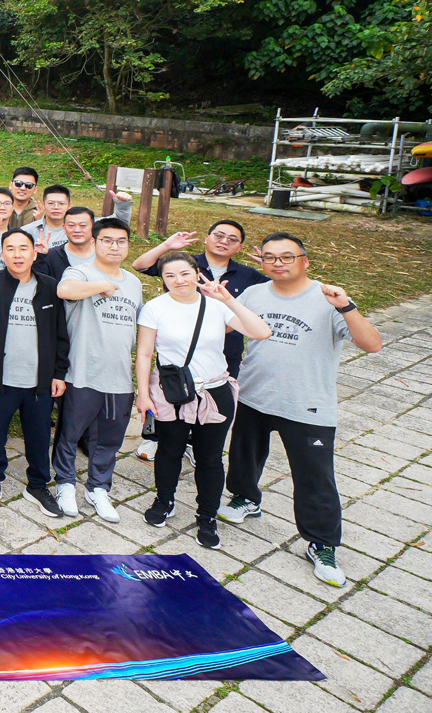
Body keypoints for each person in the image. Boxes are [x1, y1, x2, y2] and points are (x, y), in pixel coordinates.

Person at [222, 233, 382, 587]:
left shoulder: (329, 298)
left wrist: (347, 307)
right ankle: (245, 498)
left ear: (305, 261)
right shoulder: (254, 293)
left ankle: (322, 543)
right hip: (255, 394)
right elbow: (224, 324)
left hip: (307, 404)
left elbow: (372, 344)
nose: (277, 263)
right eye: (270, 257)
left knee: (315, 476)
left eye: (287, 257)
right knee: (244, 455)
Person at [135, 251, 271, 550]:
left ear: (197, 273)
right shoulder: (155, 308)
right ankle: (164, 500)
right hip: (172, 392)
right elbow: (144, 353)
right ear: (162, 279)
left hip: (215, 390)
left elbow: (261, 332)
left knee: (210, 458)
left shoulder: (217, 306)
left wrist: (228, 299)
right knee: (169, 450)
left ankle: (207, 516)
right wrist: (143, 394)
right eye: (170, 275)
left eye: (185, 273)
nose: (178, 280)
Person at [131, 220, 268, 462]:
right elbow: (140, 265)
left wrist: (271, 266)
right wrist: (167, 245)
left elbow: (275, 290)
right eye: (219, 235)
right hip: (178, 354)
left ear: (240, 247)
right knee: (172, 401)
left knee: (209, 410)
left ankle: (195, 444)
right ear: (207, 238)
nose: (224, 241)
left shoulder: (248, 275)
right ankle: (156, 437)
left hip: (224, 352)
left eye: (232, 239)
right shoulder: (184, 264)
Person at [0, 230, 68, 517]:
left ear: (34, 253)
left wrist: (59, 373)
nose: (17, 254)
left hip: (39, 381)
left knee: (39, 436)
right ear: (2, 254)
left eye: (23, 248)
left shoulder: (50, 287)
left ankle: (38, 485)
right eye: (10, 248)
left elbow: (61, 334)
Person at [51, 217, 142, 522]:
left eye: (121, 241)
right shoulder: (80, 272)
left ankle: (98, 488)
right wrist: (102, 285)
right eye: (107, 240)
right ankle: (65, 483)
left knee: (109, 439)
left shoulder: (134, 282)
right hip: (82, 371)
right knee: (70, 432)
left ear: (128, 245)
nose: (114, 246)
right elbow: (64, 290)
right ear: (94, 243)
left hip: (119, 376)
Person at [21, 185, 72, 252]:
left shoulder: (78, 230)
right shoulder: (27, 231)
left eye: (61, 203)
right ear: (44, 205)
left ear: (69, 206)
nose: (56, 207)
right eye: (51, 203)